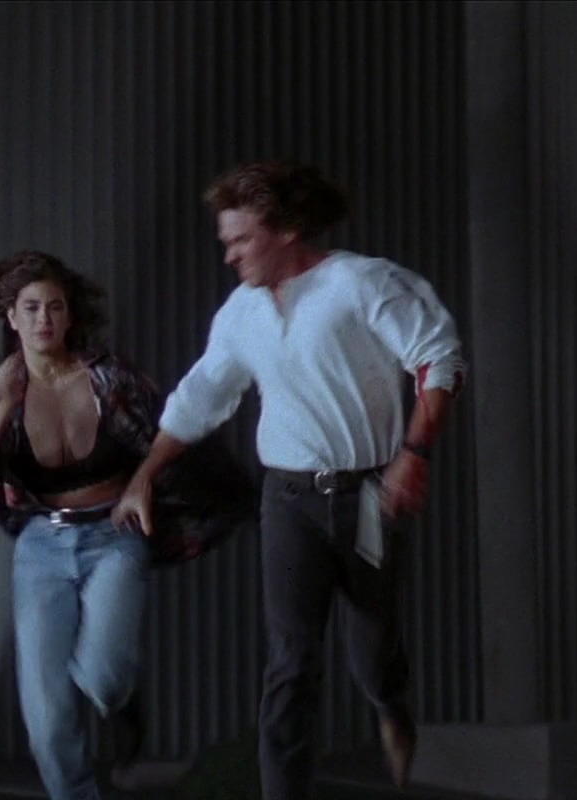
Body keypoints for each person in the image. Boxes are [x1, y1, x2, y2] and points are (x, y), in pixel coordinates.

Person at [113, 161, 468, 800]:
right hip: (289, 501)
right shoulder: (241, 313)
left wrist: (415, 453)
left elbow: (438, 360)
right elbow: (201, 395)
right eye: (225, 241)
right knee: (291, 661)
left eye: (241, 240)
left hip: (368, 497)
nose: (229, 254)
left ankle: (389, 705)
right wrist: (145, 474)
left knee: (371, 651)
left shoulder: (362, 283)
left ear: (287, 230)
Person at [0, 251, 254, 800]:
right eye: (31, 308)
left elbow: (171, 431)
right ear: (12, 317)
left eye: (54, 307)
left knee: (105, 679)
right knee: (46, 720)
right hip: (41, 547)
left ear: (69, 316)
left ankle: (123, 702)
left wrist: (152, 486)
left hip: (114, 537)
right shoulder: (1, 388)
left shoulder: (110, 379)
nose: (43, 319)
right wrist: (4, 407)